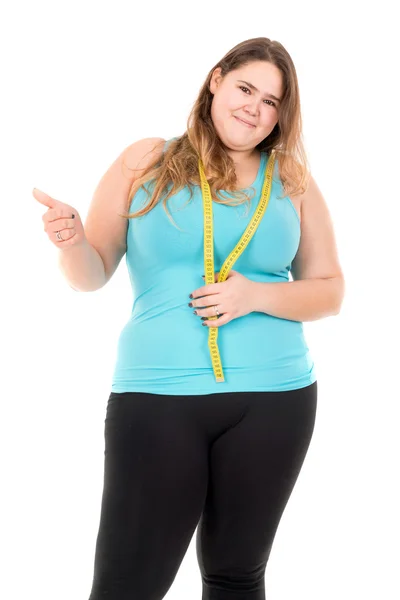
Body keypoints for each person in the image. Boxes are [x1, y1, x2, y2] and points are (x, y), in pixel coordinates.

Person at [33, 37, 345, 600]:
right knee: (126, 586)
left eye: (272, 102)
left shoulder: (291, 179)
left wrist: (254, 296)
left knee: (235, 577)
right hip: (157, 398)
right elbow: (91, 273)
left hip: (275, 400)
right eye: (246, 88)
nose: (255, 108)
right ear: (216, 80)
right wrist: (72, 242)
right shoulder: (145, 160)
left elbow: (330, 291)